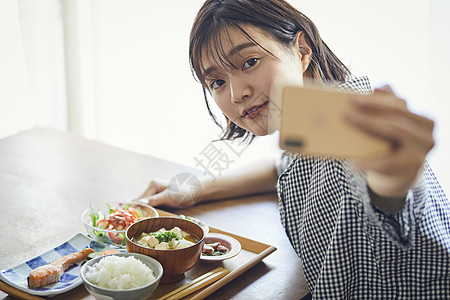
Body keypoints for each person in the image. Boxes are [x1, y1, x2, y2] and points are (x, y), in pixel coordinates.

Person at [139, 0, 450, 298]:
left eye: (250, 62)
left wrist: (393, 178)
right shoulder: (314, 123)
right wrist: (196, 189)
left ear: (302, 51)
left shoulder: (357, 130)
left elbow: (387, 193)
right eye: (217, 82)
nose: (236, 93)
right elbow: (280, 168)